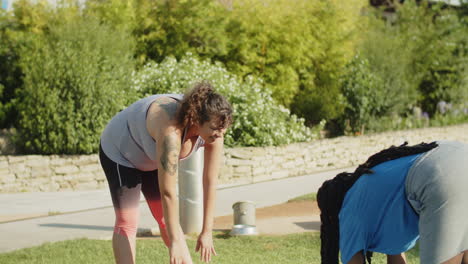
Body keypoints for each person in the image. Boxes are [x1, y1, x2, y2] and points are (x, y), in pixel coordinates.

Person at [99, 81, 233, 264]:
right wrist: (176, 241)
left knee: (165, 218)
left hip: (151, 157)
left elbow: (210, 181)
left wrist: (207, 231)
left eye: (223, 128)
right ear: (195, 119)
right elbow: (168, 192)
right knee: (127, 221)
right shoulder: (171, 132)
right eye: (215, 128)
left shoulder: (215, 131)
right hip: (121, 152)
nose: (220, 134)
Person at [317, 141, 468, 264]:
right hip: (457, 152)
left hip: (438, 173)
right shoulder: (373, 197)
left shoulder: (348, 211)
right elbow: (396, 255)